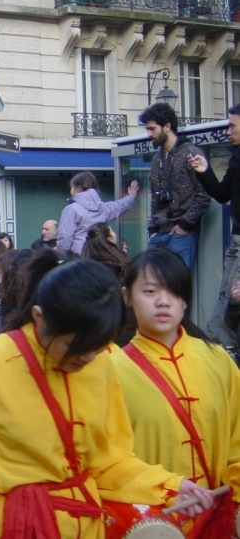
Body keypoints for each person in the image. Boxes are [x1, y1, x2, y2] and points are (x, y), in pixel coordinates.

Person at [0, 252, 213, 539]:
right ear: (39, 318)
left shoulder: (99, 362)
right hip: (12, 525)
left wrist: (169, 487)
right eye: (77, 347)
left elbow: (107, 462)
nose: (88, 359)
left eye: (99, 347)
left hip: (86, 525)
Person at [112, 247, 240, 537]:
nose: (164, 302)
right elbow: (107, 459)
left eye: (174, 292)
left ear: (185, 300)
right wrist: (164, 488)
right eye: (150, 291)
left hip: (217, 519)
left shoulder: (218, 360)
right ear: (127, 297)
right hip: (151, 523)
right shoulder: (109, 371)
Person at [189, 104, 240, 348]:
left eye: (232, 125)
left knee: (234, 297)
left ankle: (225, 348)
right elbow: (222, 195)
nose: (228, 131)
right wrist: (205, 172)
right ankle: (216, 345)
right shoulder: (235, 160)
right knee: (226, 294)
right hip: (236, 238)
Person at [139, 102, 210, 271]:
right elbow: (155, 198)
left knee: (177, 290)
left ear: (167, 126)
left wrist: (184, 226)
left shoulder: (191, 153)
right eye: (147, 130)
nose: (149, 134)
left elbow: (204, 195)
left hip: (181, 234)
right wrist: (152, 229)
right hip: (158, 235)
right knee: (149, 283)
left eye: (152, 129)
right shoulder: (157, 159)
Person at [56, 171, 138, 254]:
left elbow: (65, 237)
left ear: (78, 188)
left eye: (72, 188)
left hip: (79, 257)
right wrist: (131, 197)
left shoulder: (71, 209)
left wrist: (63, 257)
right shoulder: (103, 208)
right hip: (99, 255)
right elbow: (119, 206)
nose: (70, 191)